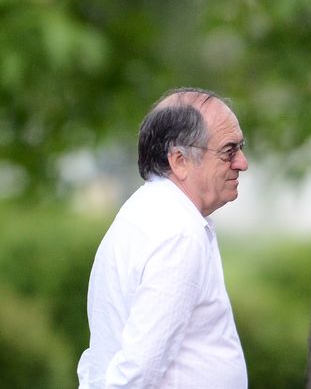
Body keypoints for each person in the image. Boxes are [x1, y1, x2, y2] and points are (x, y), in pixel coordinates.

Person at [77, 88, 249, 388]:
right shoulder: (177, 233)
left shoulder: (151, 213)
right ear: (179, 160)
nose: (242, 163)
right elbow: (138, 370)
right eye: (228, 150)